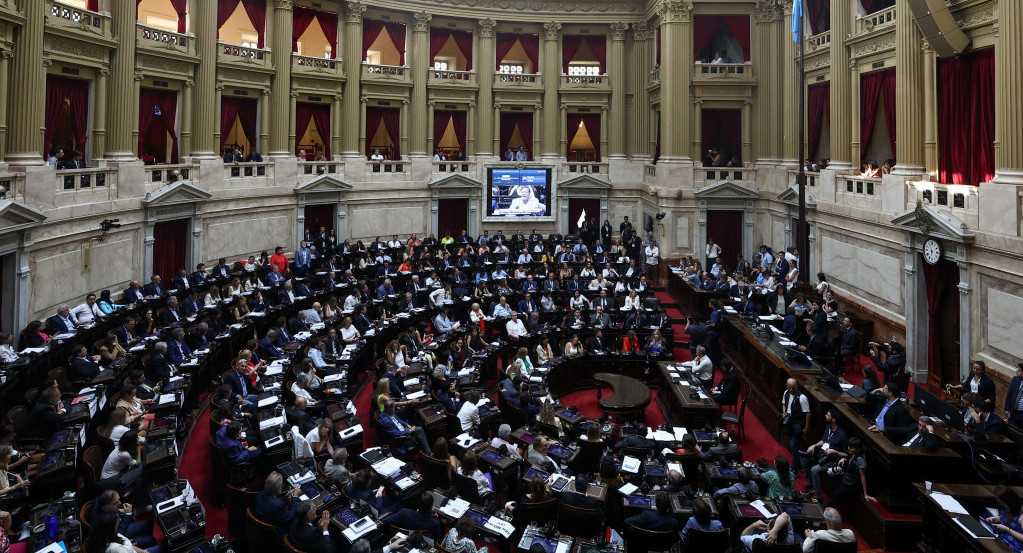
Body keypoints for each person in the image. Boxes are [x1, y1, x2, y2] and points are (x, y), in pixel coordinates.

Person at [825, 437, 875, 507]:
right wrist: (844, 459)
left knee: (831, 501)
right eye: (849, 446)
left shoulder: (860, 459)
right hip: (845, 479)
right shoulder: (854, 453)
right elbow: (851, 460)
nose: (849, 448)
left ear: (858, 449)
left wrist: (865, 494)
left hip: (849, 484)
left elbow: (862, 476)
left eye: (852, 447)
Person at [87, 512, 151, 553]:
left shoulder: (109, 534)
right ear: (111, 526)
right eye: (117, 521)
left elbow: (129, 545)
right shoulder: (115, 548)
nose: (120, 520)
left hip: (133, 550)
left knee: (151, 537)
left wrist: (144, 552)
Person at [781, 378, 810, 465]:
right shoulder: (786, 393)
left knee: (794, 445)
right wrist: (784, 412)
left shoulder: (802, 397)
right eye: (789, 387)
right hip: (789, 422)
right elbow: (783, 403)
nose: (791, 390)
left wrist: (806, 428)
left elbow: (808, 413)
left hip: (797, 424)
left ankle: (795, 468)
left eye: (793, 388)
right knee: (791, 444)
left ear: (797, 386)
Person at [1004, 362, 1023, 428]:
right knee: (1012, 429)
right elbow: (1009, 395)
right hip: (1014, 412)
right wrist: (1007, 409)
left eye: (1019, 371)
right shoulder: (1015, 379)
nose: (1017, 371)